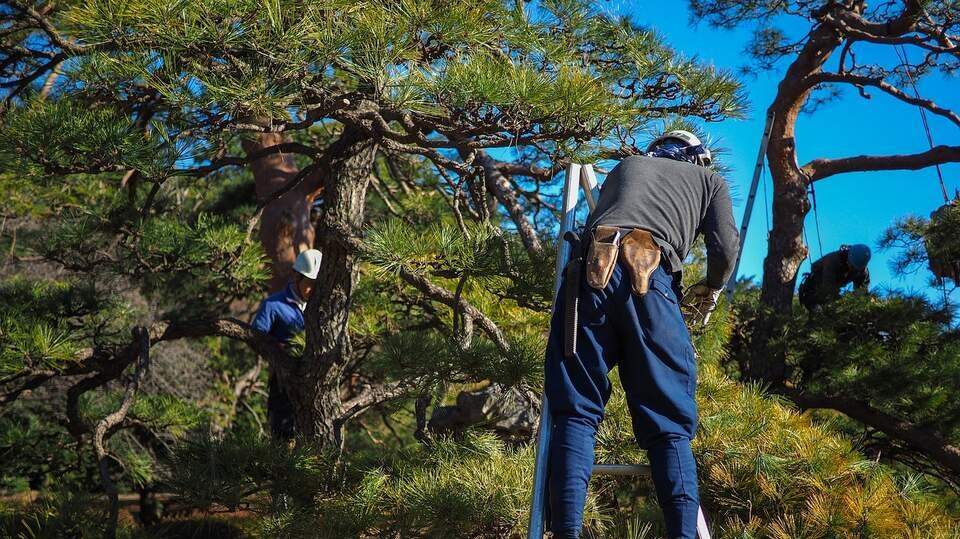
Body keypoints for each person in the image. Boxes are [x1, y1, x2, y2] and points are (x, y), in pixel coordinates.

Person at [545, 130, 738, 538]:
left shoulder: (623, 168)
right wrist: (713, 286)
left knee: (575, 413)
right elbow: (724, 248)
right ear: (699, 158)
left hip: (588, 274)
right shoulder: (710, 181)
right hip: (650, 281)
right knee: (668, 422)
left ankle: (565, 533)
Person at [251, 248, 322, 439]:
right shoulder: (273, 306)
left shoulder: (323, 308)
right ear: (297, 277)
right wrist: (280, 351)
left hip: (316, 383)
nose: (312, 290)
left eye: (317, 284)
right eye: (309, 283)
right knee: (283, 436)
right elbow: (255, 339)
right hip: (284, 382)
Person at [798, 244, 871, 311]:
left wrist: (859, 303)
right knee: (821, 311)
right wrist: (842, 303)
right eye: (851, 265)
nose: (851, 268)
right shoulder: (833, 260)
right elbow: (828, 286)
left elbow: (862, 291)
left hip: (832, 291)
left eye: (854, 268)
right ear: (848, 255)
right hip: (813, 291)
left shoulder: (861, 271)